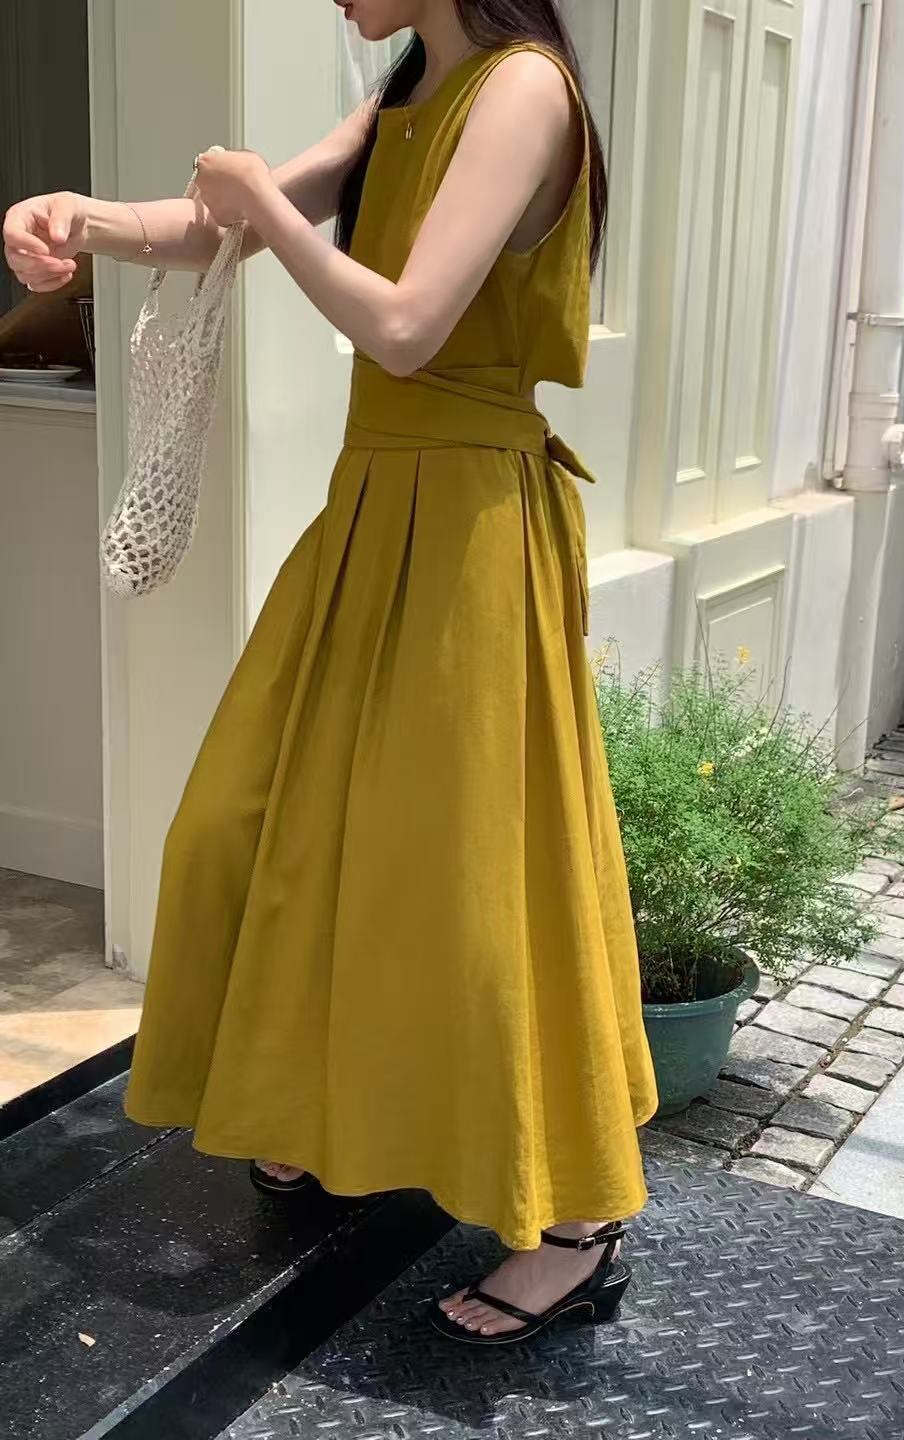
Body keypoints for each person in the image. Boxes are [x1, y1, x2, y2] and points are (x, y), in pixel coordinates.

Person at [2, 0, 657, 1344]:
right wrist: (78, 217)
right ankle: (311, 1106)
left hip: (469, 528)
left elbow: (407, 326)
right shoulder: (408, 93)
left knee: (471, 877)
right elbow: (214, 228)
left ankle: (578, 1225)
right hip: (374, 512)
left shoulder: (523, 89)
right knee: (249, 826)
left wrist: (260, 202)